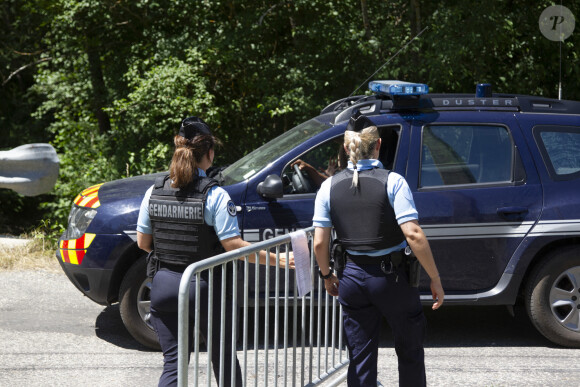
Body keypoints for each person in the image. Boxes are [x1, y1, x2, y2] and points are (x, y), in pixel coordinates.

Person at [136, 116, 293, 387]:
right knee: (223, 359)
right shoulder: (215, 195)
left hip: (163, 285)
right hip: (206, 287)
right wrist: (278, 259)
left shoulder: (154, 190)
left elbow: (143, 243)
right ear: (208, 153)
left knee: (174, 363)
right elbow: (234, 247)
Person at [312, 111, 444, 386]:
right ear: (378, 145)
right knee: (409, 350)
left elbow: (320, 242)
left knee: (360, 357)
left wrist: (326, 277)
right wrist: (435, 278)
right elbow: (414, 235)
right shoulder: (393, 181)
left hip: (351, 278)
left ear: (347, 147)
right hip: (393, 278)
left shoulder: (328, 187)